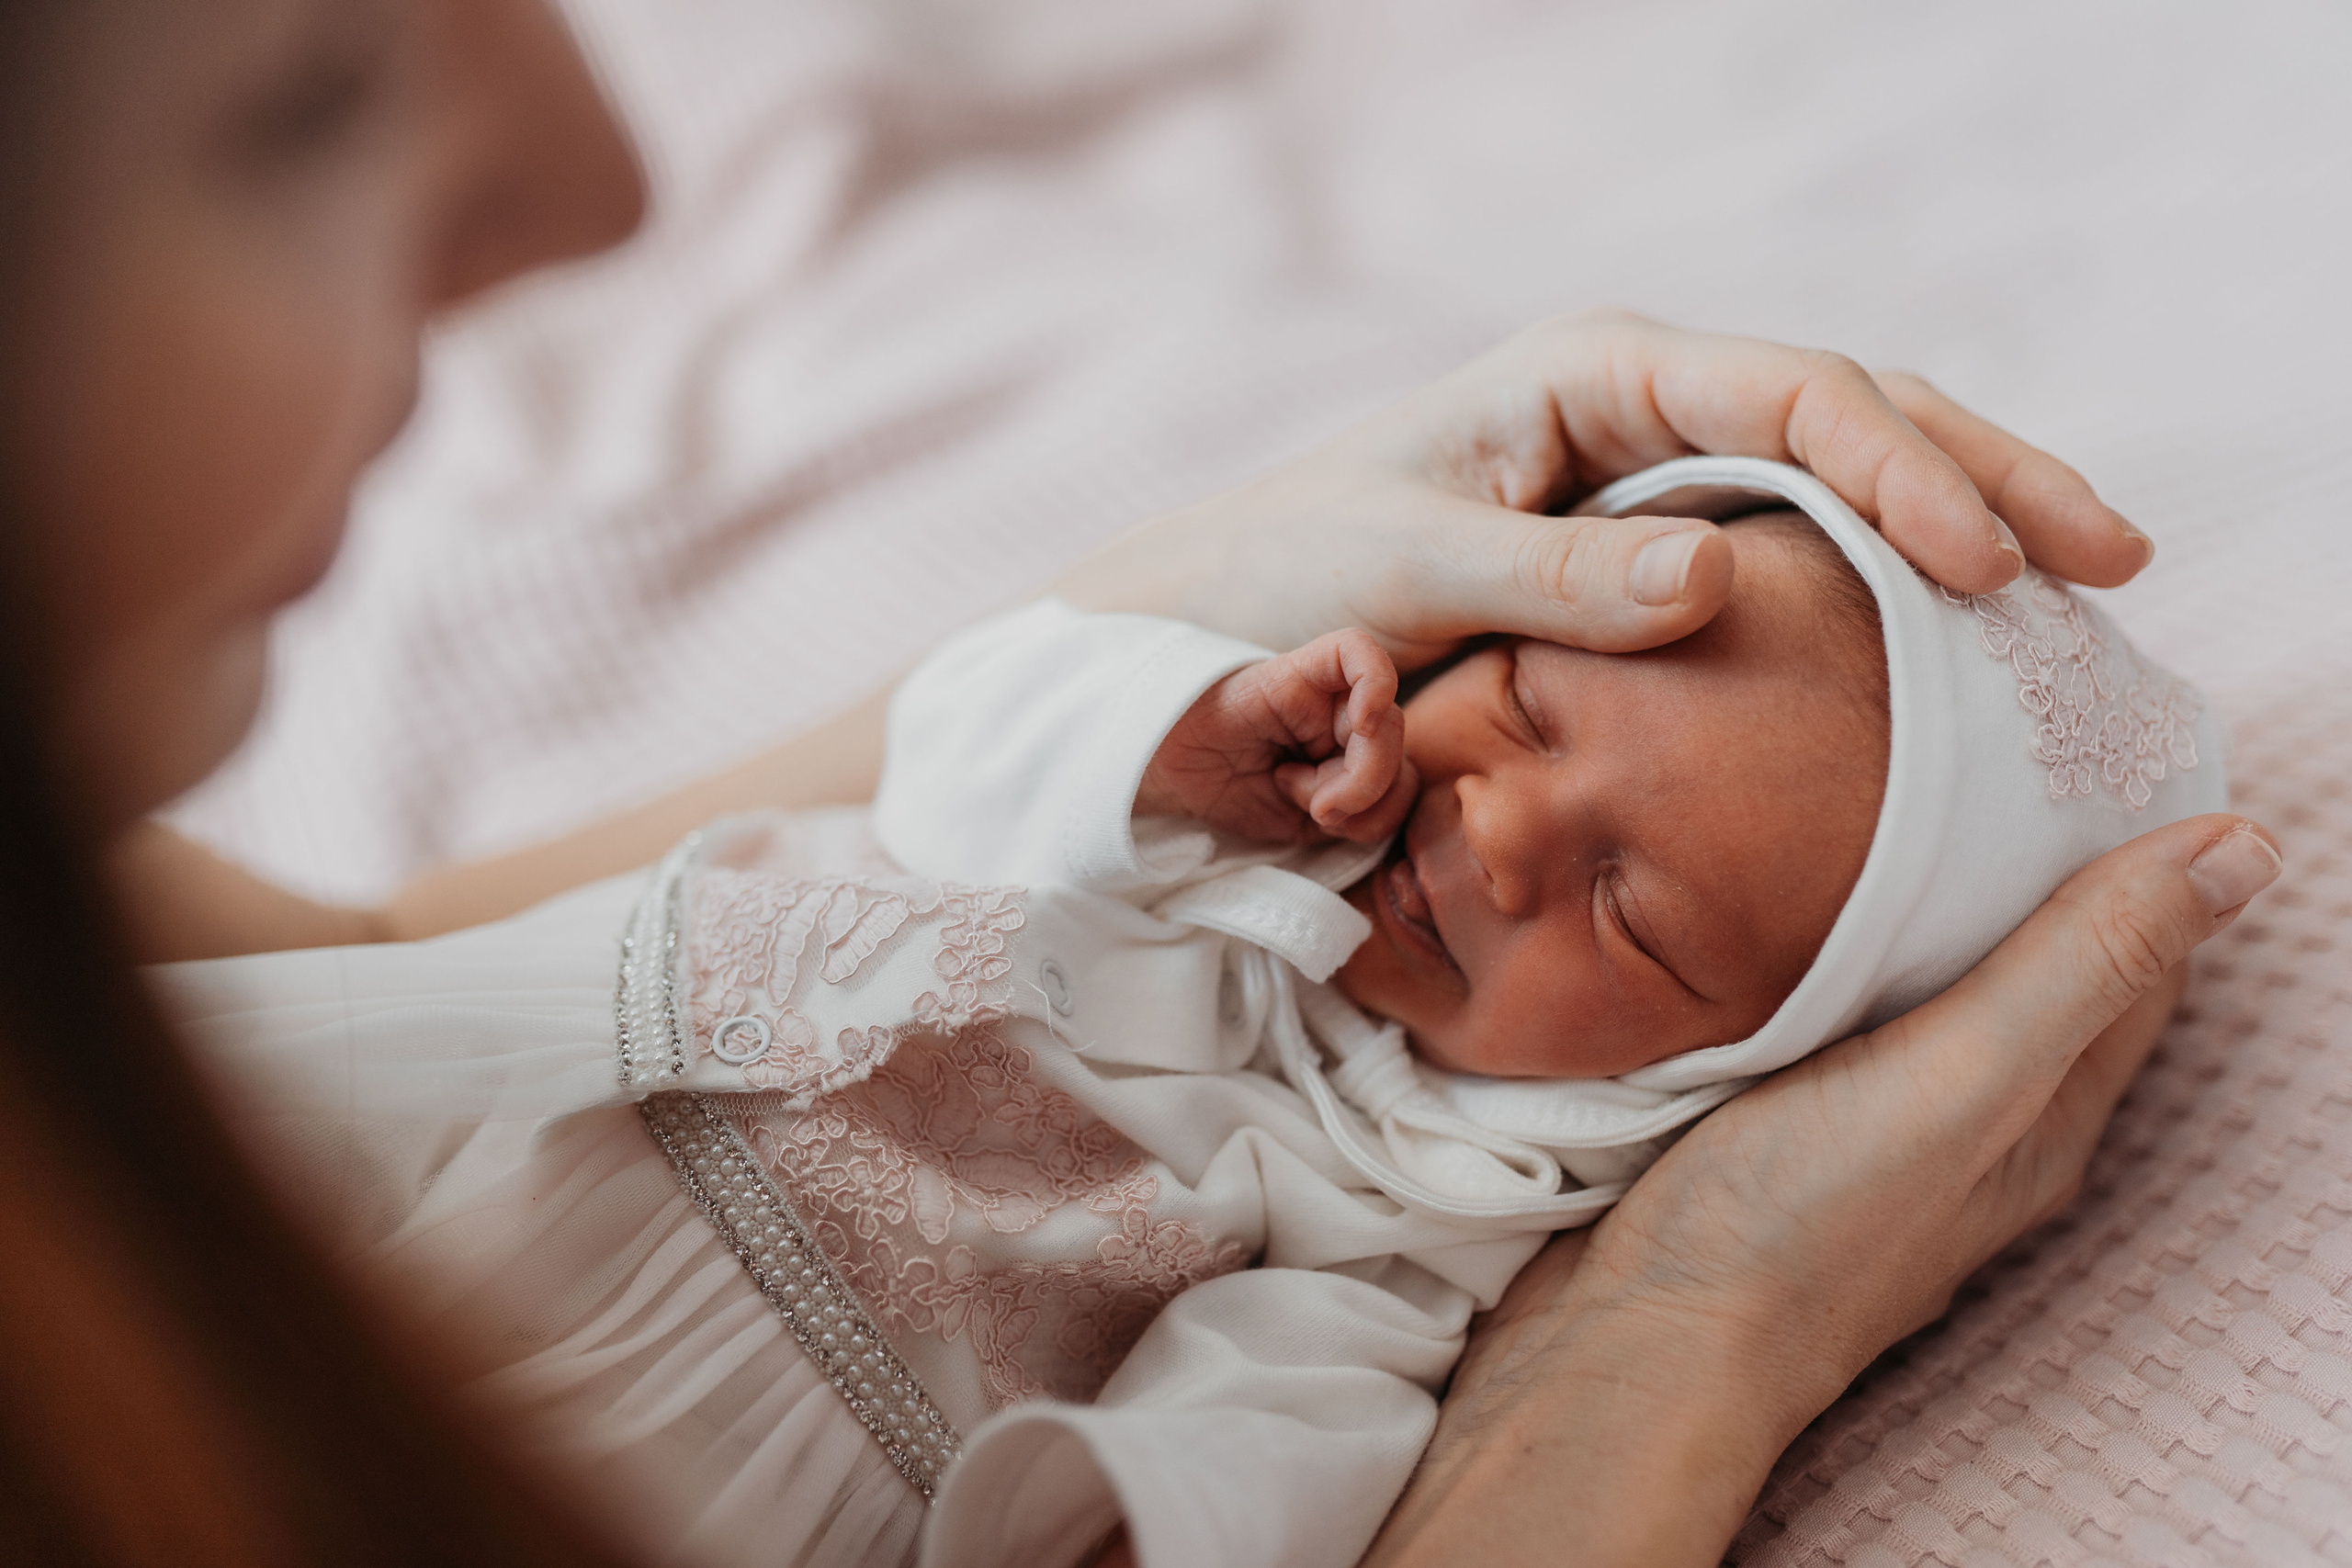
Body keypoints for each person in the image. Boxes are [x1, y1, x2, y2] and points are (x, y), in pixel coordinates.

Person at [0, 1, 2281, 1564]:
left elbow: (1287, 1396)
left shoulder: (1404, 1218)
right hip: (479, 1116)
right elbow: (966, 777)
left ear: (1738, 1062)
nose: (1482, 825)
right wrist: (1152, 716)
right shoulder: (1215, 823)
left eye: (1641, 922)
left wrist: (1175, 1484)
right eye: (294, 84)